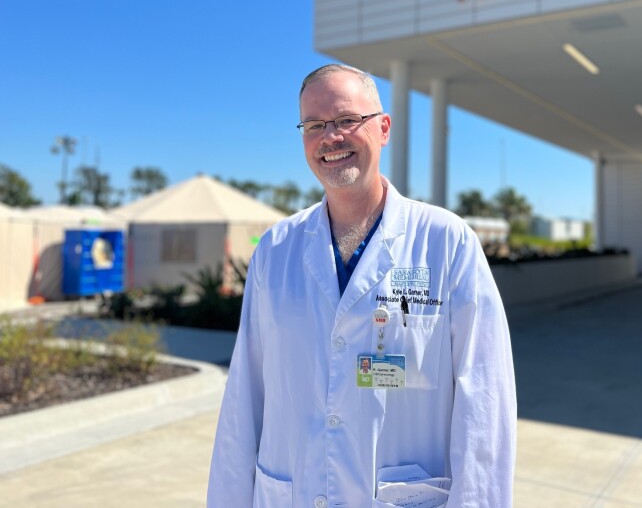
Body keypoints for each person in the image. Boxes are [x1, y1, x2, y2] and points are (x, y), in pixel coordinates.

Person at [208, 64, 516, 507]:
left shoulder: (446, 243)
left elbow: (485, 403)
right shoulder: (275, 250)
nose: (330, 137)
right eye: (314, 125)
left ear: (384, 128)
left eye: (347, 120)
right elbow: (244, 397)